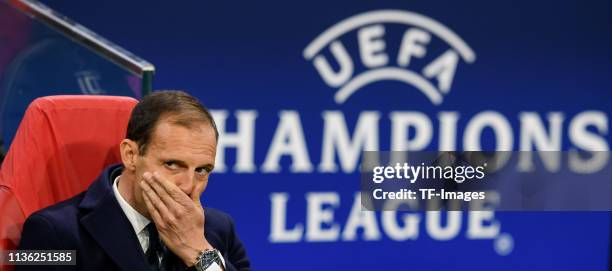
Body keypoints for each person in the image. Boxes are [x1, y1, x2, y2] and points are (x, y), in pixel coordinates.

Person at [16, 91, 250, 271]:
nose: (188, 186)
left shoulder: (217, 229)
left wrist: (200, 253)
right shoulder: (51, 232)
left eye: (202, 170)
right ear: (131, 155)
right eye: (172, 164)